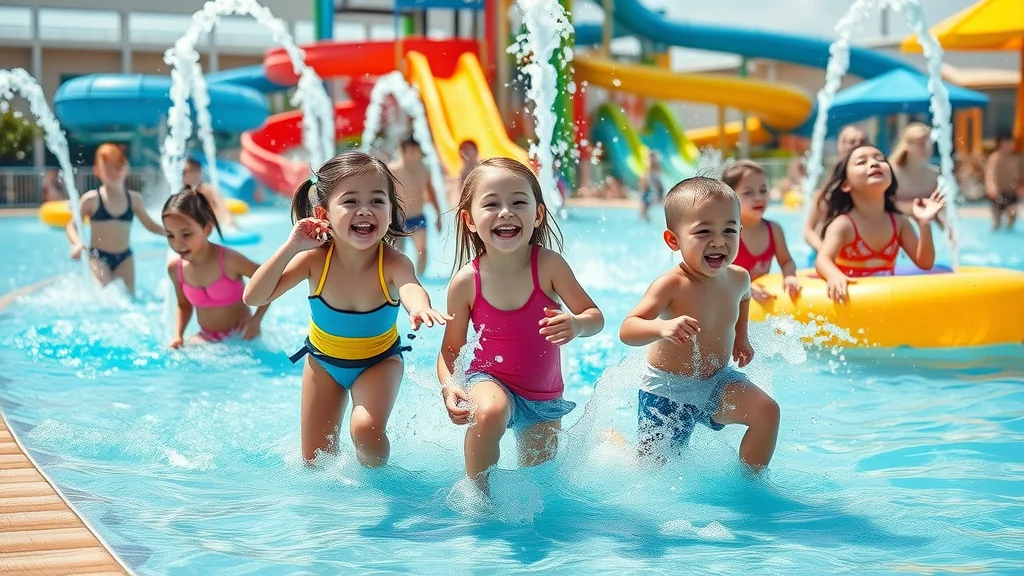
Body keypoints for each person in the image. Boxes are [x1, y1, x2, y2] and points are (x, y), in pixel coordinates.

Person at [243, 151, 450, 467]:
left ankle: (379, 484)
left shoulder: (392, 262)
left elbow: (411, 287)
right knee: (314, 461)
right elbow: (254, 297)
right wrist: (291, 247)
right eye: (350, 201)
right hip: (324, 364)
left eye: (377, 201)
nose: (365, 210)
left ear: (391, 211)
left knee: (366, 430)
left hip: (379, 363)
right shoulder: (314, 261)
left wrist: (419, 308)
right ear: (323, 213)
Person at [437, 157, 604, 489]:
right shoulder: (467, 281)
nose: (505, 212)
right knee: (489, 412)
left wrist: (577, 325)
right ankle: (479, 495)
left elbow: (594, 317)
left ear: (538, 214)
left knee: (540, 483)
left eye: (518, 202)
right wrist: (449, 386)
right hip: (489, 379)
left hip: (543, 394)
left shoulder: (549, 266)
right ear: (469, 220)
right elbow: (450, 349)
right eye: (492, 204)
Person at [618, 176, 779, 472]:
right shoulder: (671, 285)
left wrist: (741, 338)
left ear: (740, 232)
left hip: (717, 381)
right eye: (704, 232)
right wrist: (662, 328)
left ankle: (751, 487)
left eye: (729, 230)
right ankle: (613, 444)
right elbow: (628, 329)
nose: (718, 241)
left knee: (766, 411)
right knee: (652, 470)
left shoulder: (739, 278)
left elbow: (744, 299)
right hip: (667, 390)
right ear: (673, 240)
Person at [815, 145, 945, 303]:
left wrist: (924, 223)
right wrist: (834, 277)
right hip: (853, 302)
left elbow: (925, 263)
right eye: (861, 162)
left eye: (880, 159)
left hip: (884, 302)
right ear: (846, 184)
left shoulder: (899, 222)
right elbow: (823, 260)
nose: (874, 163)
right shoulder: (844, 225)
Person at [163, 186, 268, 348]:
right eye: (170, 235)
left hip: (243, 336)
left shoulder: (228, 260)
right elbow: (183, 306)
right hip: (206, 338)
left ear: (207, 229)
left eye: (186, 234)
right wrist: (178, 336)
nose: (177, 242)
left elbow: (269, 280)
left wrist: (256, 320)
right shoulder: (175, 268)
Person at [66, 143, 165, 294]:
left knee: (128, 299)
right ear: (97, 171)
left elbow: (150, 225)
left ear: (126, 167)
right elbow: (71, 226)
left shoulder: (134, 200)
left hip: (125, 258)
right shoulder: (92, 199)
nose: (113, 172)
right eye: (107, 168)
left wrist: (171, 233)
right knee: (102, 295)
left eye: (117, 167)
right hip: (98, 257)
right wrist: (77, 243)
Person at [722, 160, 800, 302]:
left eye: (763, 190)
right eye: (748, 192)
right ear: (730, 197)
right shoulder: (726, 234)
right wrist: (746, 287)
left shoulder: (774, 230)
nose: (758, 197)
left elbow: (787, 261)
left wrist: (790, 276)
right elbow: (718, 274)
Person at [803, 125, 868, 257]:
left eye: (862, 141)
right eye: (852, 142)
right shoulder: (826, 192)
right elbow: (808, 231)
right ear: (841, 146)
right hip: (823, 254)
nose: (857, 145)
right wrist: (825, 252)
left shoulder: (876, 188)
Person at [388, 136, 442, 275]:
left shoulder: (423, 169)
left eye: (416, 151)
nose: (415, 154)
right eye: (411, 151)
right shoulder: (393, 169)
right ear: (402, 152)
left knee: (422, 250)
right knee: (397, 253)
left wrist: (438, 214)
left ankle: (420, 279)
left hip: (417, 216)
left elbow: (431, 192)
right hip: (398, 218)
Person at [891, 122, 944, 228]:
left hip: (925, 229)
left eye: (929, 143)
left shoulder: (934, 174)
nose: (926, 148)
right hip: (898, 228)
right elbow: (882, 207)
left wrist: (950, 234)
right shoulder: (891, 173)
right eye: (921, 143)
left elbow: (939, 214)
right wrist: (914, 208)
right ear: (907, 145)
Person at [182, 158, 235, 229]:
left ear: (199, 173)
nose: (189, 175)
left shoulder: (207, 190)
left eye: (193, 171)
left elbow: (221, 206)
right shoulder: (182, 194)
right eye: (185, 172)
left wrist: (228, 221)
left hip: (212, 226)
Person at [984, 132, 1021, 230]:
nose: (1010, 145)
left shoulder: (1014, 158)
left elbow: (1019, 175)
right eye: (1007, 143)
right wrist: (991, 186)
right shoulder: (995, 158)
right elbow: (990, 174)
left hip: (1010, 191)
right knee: (997, 218)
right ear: (1000, 144)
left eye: (1011, 143)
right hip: (997, 193)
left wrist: (1020, 186)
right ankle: (997, 226)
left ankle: (1009, 228)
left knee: (1012, 214)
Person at [639, 150, 665, 222]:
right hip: (648, 189)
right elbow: (644, 180)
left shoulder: (657, 167)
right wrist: (643, 189)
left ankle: (645, 217)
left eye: (654, 159)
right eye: (651, 159)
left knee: (648, 205)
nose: (653, 160)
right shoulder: (648, 168)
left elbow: (660, 178)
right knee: (646, 205)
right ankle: (643, 217)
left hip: (656, 189)